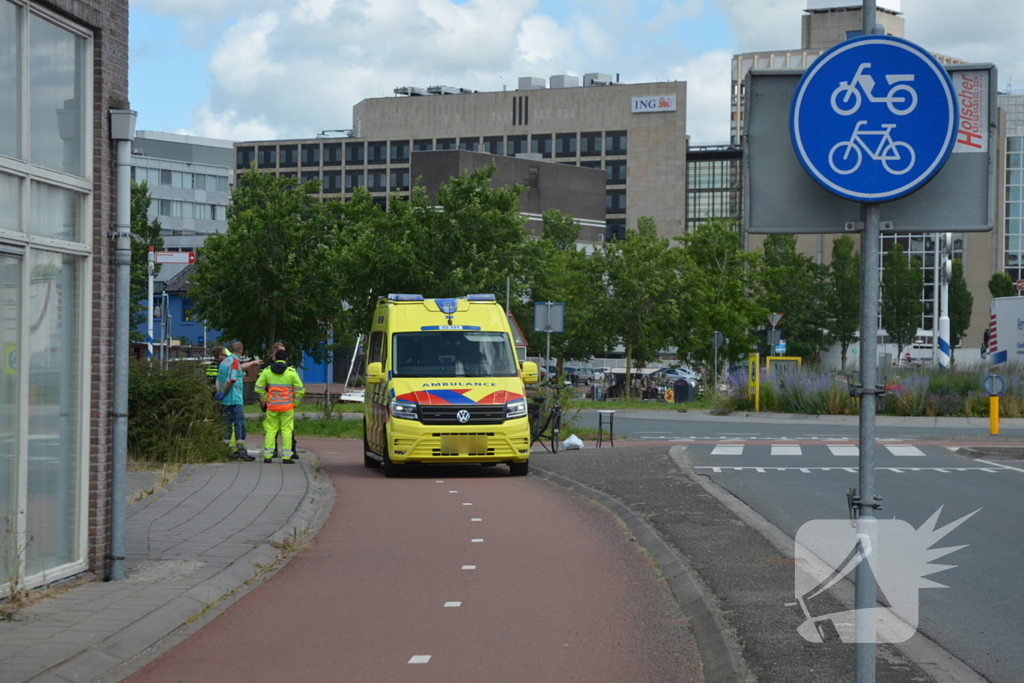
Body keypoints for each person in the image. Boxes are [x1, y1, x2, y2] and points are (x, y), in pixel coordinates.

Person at [255, 348, 305, 464]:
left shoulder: (267, 371)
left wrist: (266, 398)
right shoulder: (291, 372)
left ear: (275, 358)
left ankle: (268, 456)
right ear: (286, 359)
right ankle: (286, 457)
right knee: (287, 431)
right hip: (287, 407)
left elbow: (258, 388)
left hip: (272, 406)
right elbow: (301, 390)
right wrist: (295, 402)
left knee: (271, 430)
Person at [213, 345, 254, 461]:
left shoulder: (223, 362)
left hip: (224, 401)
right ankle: (241, 452)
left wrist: (219, 393)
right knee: (239, 425)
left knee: (226, 426)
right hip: (234, 399)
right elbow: (230, 381)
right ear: (241, 351)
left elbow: (218, 379)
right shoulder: (234, 362)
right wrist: (224, 392)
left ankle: (225, 450)